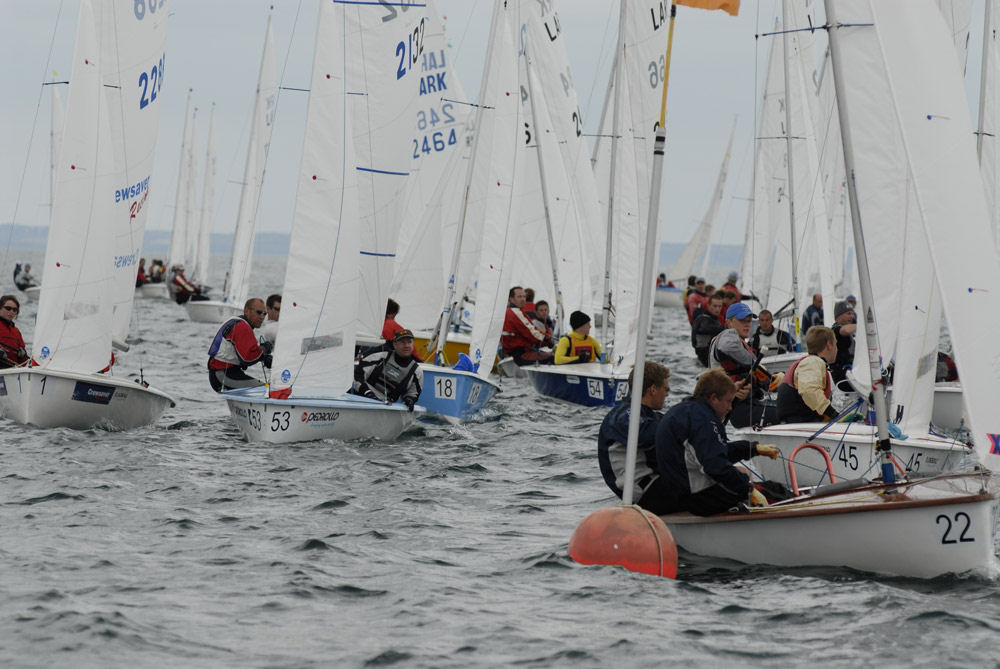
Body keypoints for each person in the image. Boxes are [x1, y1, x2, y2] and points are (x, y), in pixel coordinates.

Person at [649, 369, 779, 516]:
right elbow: (715, 464)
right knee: (771, 491)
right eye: (729, 401)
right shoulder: (702, 420)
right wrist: (747, 490)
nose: (730, 407)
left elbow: (714, 451)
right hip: (695, 496)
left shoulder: (687, 411)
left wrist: (752, 448)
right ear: (713, 398)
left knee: (756, 484)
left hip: (682, 491)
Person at [598, 361, 672, 510]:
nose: (667, 394)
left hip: (657, 483)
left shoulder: (652, 416)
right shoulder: (624, 416)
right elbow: (646, 435)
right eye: (665, 389)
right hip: (642, 491)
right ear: (652, 390)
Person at [708, 302, 779, 428]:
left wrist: (772, 380)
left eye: (749, 321)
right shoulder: (728, 336)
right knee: (788, 413)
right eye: (742, 321)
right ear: (729, 322)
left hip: (749, 404)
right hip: (740, 410)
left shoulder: (740, 341)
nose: (747, 325)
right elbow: (726, 346)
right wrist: (752, 363)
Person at [776, 326, 839, 424]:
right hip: (799, 423)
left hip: (801, 422)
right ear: (828, 345)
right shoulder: (813, 362)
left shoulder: (809, 362)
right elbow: (808, 390)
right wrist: (833, 414)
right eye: (836, 344)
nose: (837, 348)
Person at [207, 298, 270, 392]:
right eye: (259, 312)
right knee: (266, 391)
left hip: (224, 373)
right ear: (247, 311)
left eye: (265, 314)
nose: (262, 317)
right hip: (223, 375)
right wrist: (264, 350)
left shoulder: (236, 321)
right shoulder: (242, 326)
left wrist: (264, 357)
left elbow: (247, 353)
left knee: (265, 390)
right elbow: (247, 358)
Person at [352, 328, 422, 412]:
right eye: (403, 342)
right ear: (395, 345)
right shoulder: (379, 357)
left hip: (385, 408)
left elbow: (412, 393)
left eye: (409, 342)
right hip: (360, 399)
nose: (406, 345)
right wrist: (368, 393)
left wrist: (409, 400)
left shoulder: (416, 371)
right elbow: (358, 376)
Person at [501, 286, 553, 365]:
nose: (523, 299)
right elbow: (532, 333)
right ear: (511, 299)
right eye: (519, 297)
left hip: (515, 353)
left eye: (524, 296)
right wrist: (548, 341)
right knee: (553, 357)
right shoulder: (515, 312)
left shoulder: (510, 311)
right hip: (521, 355)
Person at [691, 293, 725, 367]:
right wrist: (726, 329)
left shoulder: (715, 320)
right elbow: (705, 328)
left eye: (719, 306)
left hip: (712, 355)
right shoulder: (702, 319)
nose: (717, 309)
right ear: (709, 306)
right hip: (704, 357)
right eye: (715, 306)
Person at [830, 300, 857, 385]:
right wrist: (863, 325)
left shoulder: (850, 330)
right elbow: (844, 330)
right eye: (848, 314)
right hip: (842, 376)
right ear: (838, 316)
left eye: (852, 314)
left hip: (851, 373)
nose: (851, 316)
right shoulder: (836, 328)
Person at [0, 295, 29, 369]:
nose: (11, 312)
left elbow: (23, 363)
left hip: (13, 372)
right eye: (8, 308)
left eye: (14, 310)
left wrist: (23, 356)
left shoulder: (16, 331)